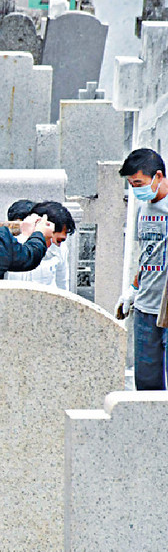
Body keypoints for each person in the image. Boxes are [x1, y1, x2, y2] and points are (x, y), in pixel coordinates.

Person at [117, 148, 168, 390]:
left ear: (158, 176)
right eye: (131, 184)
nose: (136, 190)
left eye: (139, 183)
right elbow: (145, 257)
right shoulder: (143, 210)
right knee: (146, 383)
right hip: (146, 306)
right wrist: (132, 289)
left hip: (166, 308)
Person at [7, 200, 76, 291]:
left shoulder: (61, 250)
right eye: (57, 240)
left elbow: (62, 283)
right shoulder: (12, 245)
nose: (55, 245)